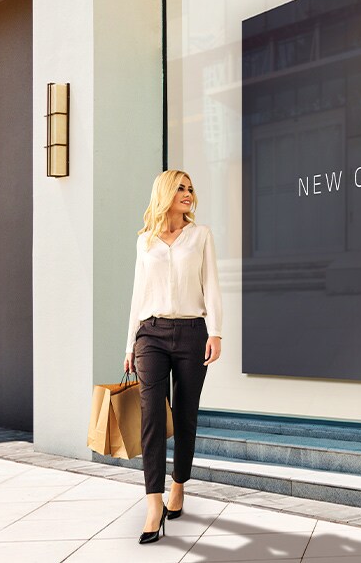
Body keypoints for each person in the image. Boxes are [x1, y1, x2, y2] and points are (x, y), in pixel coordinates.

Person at [124, 170, 223, 543]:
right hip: (150, 333)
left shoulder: (201, 236)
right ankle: (153, 503)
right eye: (180, 188)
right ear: (164, 193)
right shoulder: (145, 241)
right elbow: (137, 294)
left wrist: (216, 331)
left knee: (184, 415)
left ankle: (178, 486)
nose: (188, 194)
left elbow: (211, 283)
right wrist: (129, 345)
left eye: (190, 189)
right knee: (151, 416)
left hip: (192, 333)